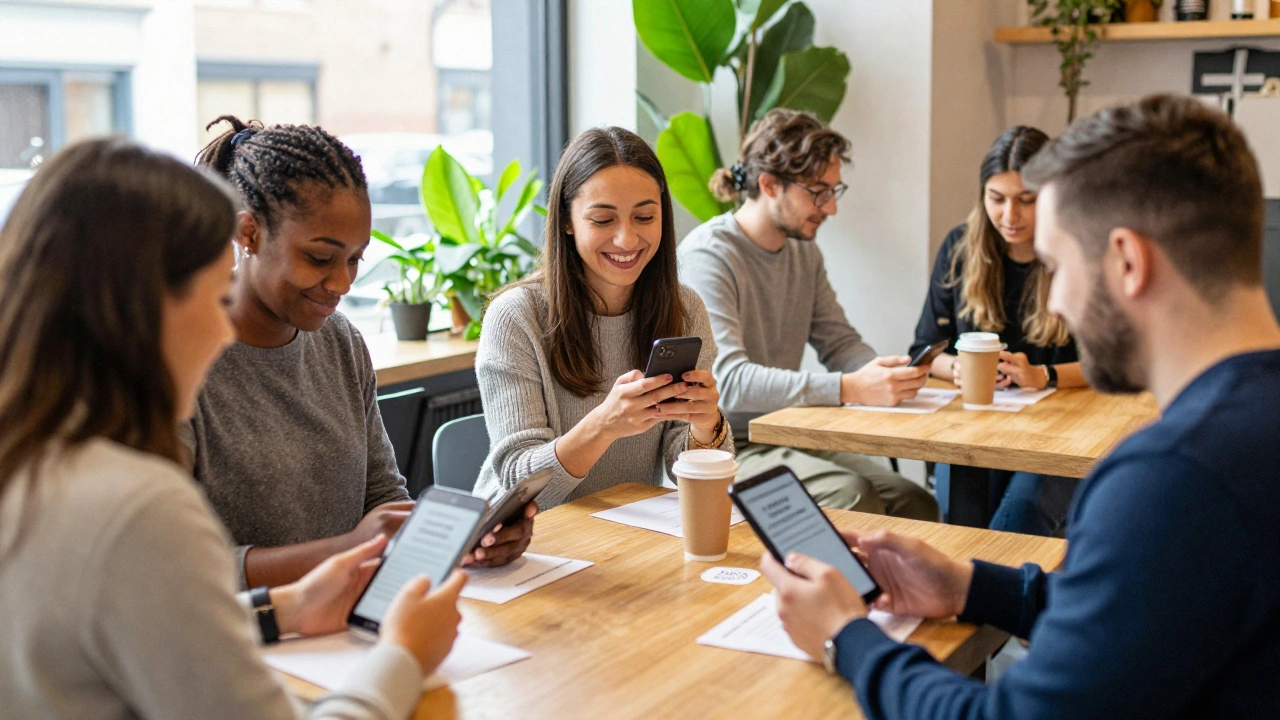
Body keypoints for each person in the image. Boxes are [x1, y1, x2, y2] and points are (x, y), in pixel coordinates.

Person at [760, 95, 1280, 718]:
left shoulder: (1170, 478)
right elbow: (1155, 608)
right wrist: (969, 585)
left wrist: (847, 636)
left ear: (1128, 262)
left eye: (1058, 265)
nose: (1055, 301)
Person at [0, 137, 466, 719]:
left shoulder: (33, 459)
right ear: (145, 306)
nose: (224, 332)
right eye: (217, 294)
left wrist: (284, 608)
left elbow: (153, 619)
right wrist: (402, 655)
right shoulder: (136, 507)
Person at [191, 116, 532, 588]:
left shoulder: (339, 341)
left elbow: (382, 498)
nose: (342, 283)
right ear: (248, 233)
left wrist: (463, 542)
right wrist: (349, 549)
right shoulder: (178, 362)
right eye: (319, 258)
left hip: (343, 625)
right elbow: (169, 570)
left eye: (354, 259)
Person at [679, 108, 936, 520]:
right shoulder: (708, 257)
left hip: (785, 431)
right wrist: (850, 388)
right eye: (818, 192)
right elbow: (729, 383)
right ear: (769, 184)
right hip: (725, 443)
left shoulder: (803, 250)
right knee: (852, 496)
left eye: (834, 190)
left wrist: (886, 373)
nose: (830, 208)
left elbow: (839, 341)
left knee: (913, 501)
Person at [474, 126, 731, 509]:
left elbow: (689, 474)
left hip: (622, 527)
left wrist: (705, 424)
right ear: (566, 220)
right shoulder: (515, 317)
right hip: (521, 541)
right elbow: (519, 484)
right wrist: (605, 425)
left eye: (644, 217)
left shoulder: (683, 308)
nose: (627, 240)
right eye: (602, 220)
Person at [913, 126, 1084, 536]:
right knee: (964, 502)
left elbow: (1114, 366)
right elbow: (922, 350)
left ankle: (987, 594)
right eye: (997, 199)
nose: (1010, 216)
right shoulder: (960, 248)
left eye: (1027, 200)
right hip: (978, 430)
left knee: (1021, 514)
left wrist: (1044, 375)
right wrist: (954, 368)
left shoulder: (1078, 251)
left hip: (1058, 432)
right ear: (982, 196)